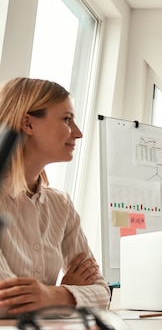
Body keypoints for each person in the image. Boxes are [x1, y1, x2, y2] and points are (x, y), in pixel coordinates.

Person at [0, 77, 110, 317]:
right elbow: (7, 302)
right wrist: (67, 294)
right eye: (67, 119)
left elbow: (102, 293)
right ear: (28, 124)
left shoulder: (60, 205)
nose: (78, 133)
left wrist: (52, 296)